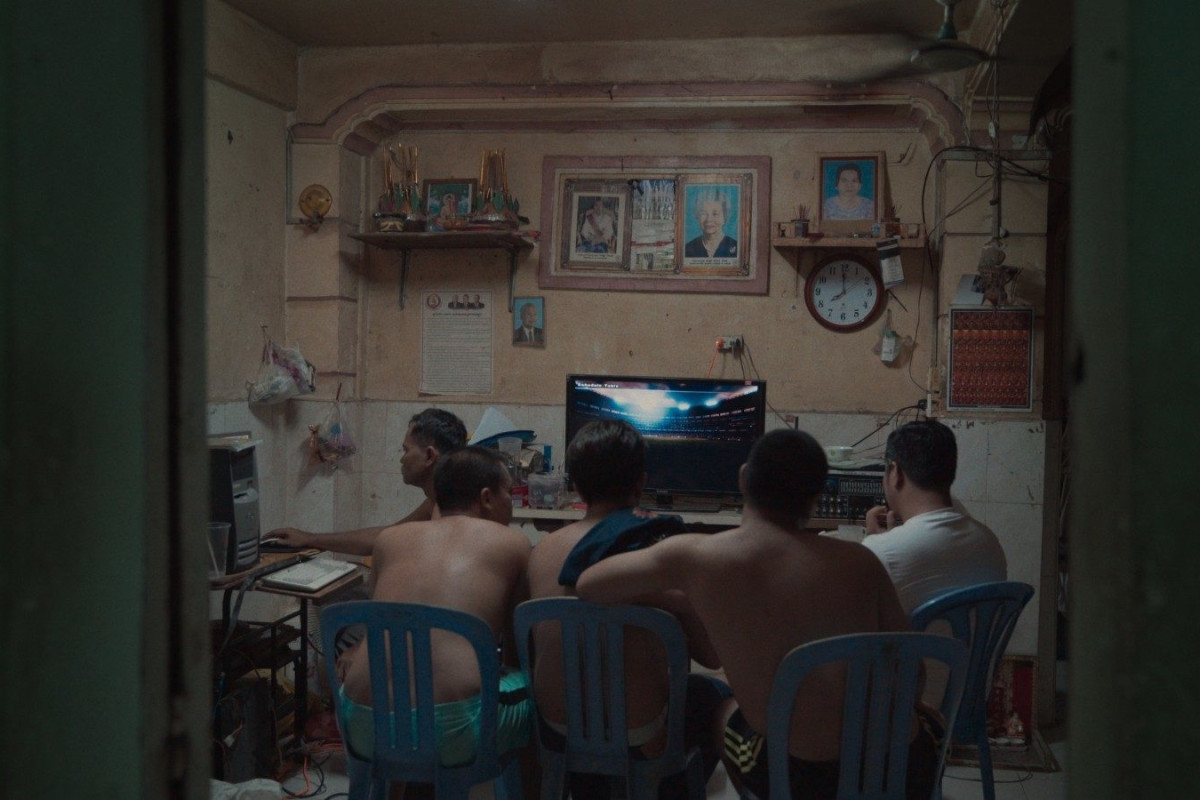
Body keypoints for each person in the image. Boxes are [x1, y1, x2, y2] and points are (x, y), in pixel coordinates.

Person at [577, 429, 938, 800]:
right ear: (816, 495)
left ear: (744, 478)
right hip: (903, 766)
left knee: (715, 704)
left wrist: (684, 598)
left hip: (801, 777)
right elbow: (914, 672)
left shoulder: (697, 556)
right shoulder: (862, 560)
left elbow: (590, 585)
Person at [526, 419, 729, 796]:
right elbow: (711, 655)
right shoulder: (660, 545)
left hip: (558, 727)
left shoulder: (541, 553)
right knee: (716, 694)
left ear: (575, 484)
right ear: (641, 481)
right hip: (640, 730)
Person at [337, 446, 533, 767]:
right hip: (452, 732)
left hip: (361, 724)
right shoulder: (513, 543)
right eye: (509, 492)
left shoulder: (389, 539)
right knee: (538, 699)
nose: (511, 502)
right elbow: (518, 647)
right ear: (486, 498)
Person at [265, 408, 467, 554]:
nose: (401, 458)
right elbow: (386, 537)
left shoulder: (452, 510)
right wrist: (310, 539)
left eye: (406, 450)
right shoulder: (437, 499)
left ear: (430, 456)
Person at [861, 419, 1008, 614]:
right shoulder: (989, 542)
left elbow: (857, 625)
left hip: (910, 646)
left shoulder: (881, 551)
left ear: (896, 472)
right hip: (967, 646)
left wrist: (873, 544)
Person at [683, 189, 738, 258]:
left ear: (725, 217)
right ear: (697, 216)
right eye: (703, 213)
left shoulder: (737, 248)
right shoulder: (687, 249)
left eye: (715, 214)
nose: (709, 219)